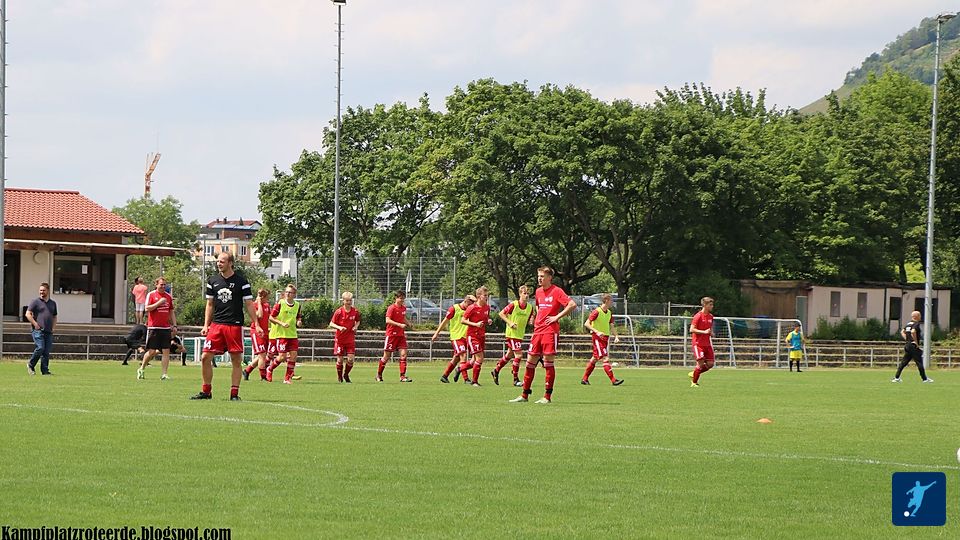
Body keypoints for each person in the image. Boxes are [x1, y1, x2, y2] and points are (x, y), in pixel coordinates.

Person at [191, 251, 263, 401]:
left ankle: (234, 394)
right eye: (218, 261)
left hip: (234, 325)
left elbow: (249, 304)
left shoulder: (242, 282)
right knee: (205, 357)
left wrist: (256, 324)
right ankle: (206, 391)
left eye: (222, 261)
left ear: (230, 263)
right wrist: (206, 325)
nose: (219, 264)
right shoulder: (212, 281)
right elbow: (210, 304)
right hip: (216, 325)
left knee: (236, 359)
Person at [510, 267, 576, 404]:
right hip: (538, 331)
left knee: (548, 362)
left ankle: (547, 397)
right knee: (530, 362)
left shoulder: (557, 291)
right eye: (538, 276)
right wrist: (536, 319)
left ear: (550, 277)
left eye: (542, 276)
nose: (539, 278)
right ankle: (524, 395)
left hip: (550, 331)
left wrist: (556, 317)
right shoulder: (538, 291)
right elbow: (538, 307)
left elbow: (572, 304)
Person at [493, 285, 535, 386]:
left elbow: (531, 317)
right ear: (520, 294)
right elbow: (501, 314)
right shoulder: (514, 304)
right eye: (524, 293)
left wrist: (532, 321)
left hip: (519, 335)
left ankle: (496, 370)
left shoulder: (530, 307)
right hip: (512, 334)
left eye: (528, 293)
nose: (526, 295)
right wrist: (510, 322)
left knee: (509, 355)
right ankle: (515, 379)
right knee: (519, 355)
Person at [137, 277, 178, 380]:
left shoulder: (168, 296)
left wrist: (174, 325)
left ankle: (164, 374)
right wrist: (159, 302)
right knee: (152, 352)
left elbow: (171, 311)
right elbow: (147, 308)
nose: (163, 286)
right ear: (156, 285)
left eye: (164, 285)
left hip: (165, 328)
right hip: (154, 327)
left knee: (166, 351)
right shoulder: (151, 295)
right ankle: (142, 368)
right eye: (161, 284)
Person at [581, 293, 624, 386]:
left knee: (594, 358)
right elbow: (586, 323)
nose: (612, 302)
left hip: (605, 338)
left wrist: (616, 336)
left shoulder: (609, 313)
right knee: (605, 357)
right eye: (611, 300)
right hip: (598, 338)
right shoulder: (596, 311)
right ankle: (613, 380)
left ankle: (584, 379)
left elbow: (612, 326)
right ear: (606, 300)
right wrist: (597, 331)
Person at [433, 294, 475, 383]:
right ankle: (466, 379)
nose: (470, 307)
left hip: (465, 337)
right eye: (469, 304)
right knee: (463, 356)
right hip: (456, 337)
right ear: (466, 301)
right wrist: (436, 333)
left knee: (456, 358)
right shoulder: (454, 309)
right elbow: (444, 322)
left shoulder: (470, 310)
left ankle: (445, 376)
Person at [266, 284, 303, 384]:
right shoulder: (280, 303)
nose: (287, 294)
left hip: (292, 334)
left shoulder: (297, 305)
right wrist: (281, 323)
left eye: (290, 292)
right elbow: (271, 317)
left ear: (294, 294)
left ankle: (287, 378)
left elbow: (298, 317)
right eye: (286, 292)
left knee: (293, 356)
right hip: (282, 334)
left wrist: (299, 322)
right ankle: (270, 369)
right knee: (282, 357)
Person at [378, 290, 413, 383]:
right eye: (400, 298)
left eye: (403, 299)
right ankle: (379, 375)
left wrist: (408, 323)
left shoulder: (403, 308)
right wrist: (399, 325)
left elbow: (403, 317)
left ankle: (402, 376)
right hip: (391, 335)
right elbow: (387, 320)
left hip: (401, 335)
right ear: (396, 298)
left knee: (403, 354)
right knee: (386, 357)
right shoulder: (391, 308)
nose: (402, 300)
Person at [25, 282, 58, 376]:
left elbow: (55, 316)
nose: (41, 292)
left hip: (48, 331)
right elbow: (27, 314)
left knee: (46, 352)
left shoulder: (52, 303)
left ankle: (45, 371)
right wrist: (35, 324)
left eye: (43, 290)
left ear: (48, 291)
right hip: (38, 331)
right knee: (40, 348)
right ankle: (31, 365)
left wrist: (53, 327)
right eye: (40, 290)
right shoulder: (35, 302)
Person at [892, 311, 933, 383]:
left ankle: (896, 377)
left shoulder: (909, 324)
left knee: (904, 362)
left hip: (908, 345)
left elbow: (902, 331)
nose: (920, 317)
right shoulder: (916, 324)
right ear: (916, 316)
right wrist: (915, 342)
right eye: (919, 315)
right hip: (913, 346)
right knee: (919, 362)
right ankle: (925, 379)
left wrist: (907, 340)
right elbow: (913, 331)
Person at [463, 286, 493, 387]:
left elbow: (485, 318)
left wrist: (488, 321)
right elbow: (463, 320)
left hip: (481, 336)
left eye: (487, 295)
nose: (486, 297)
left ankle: (460, 369)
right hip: (472, 336)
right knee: (480, 358)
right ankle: (474, 381)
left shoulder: (487, 307)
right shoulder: (472, 307)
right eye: (485, 295)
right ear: (479, 296)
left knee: (473, 361)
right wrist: (475, 324)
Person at [330, 291, 362, 383]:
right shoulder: (339, 312)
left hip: (350, 339)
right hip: (340, 340)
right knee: (340, 360)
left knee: (350, 359)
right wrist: (339, 327)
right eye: (347, 300)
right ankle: (340, 377)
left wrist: (355, 327)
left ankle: (346, 374)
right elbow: (331, 323)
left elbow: (358, 321)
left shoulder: (355, 311)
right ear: (343, 301)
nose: (349, 302)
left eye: (350, 300)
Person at [243, 289, 272, 381]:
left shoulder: (267, 305)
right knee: (262, 355)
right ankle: (263, 377)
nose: (268, 299)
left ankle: (247, 371)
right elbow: (259, 315)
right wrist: (259, 302)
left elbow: (270, 317)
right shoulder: (254, 305)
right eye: (267, 297)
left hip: (265, 332)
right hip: (256, 332)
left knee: (262, 355)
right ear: (262, 297)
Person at [688, 296, 715, 388]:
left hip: (707, 344)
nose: (712, 306)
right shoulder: (698, 316)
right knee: (700, 363)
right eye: (710, 305)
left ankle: (694, 373)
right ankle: (694, 383)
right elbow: (691, 329)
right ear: (704, 305)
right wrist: (704, 332)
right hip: (698, 344)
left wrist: (711, 333)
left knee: (710, 364)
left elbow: (709, 328)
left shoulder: (711, 317)